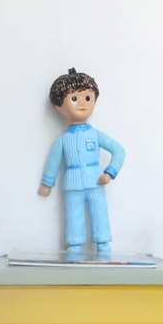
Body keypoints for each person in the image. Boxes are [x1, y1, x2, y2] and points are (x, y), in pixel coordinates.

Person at [38, 68, 125, 253]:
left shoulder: (96, 135)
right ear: (59, 106)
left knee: (99, 213)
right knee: (73, 214)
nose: (82, 104)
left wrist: (109, 172)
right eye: (74, 99)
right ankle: (74, 244)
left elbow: (119, 151)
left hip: (96, 181)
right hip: (72, 184)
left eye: (87, 98)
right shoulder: (63, 140)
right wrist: (47, 183)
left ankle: (103, 242)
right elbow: (54, 161)